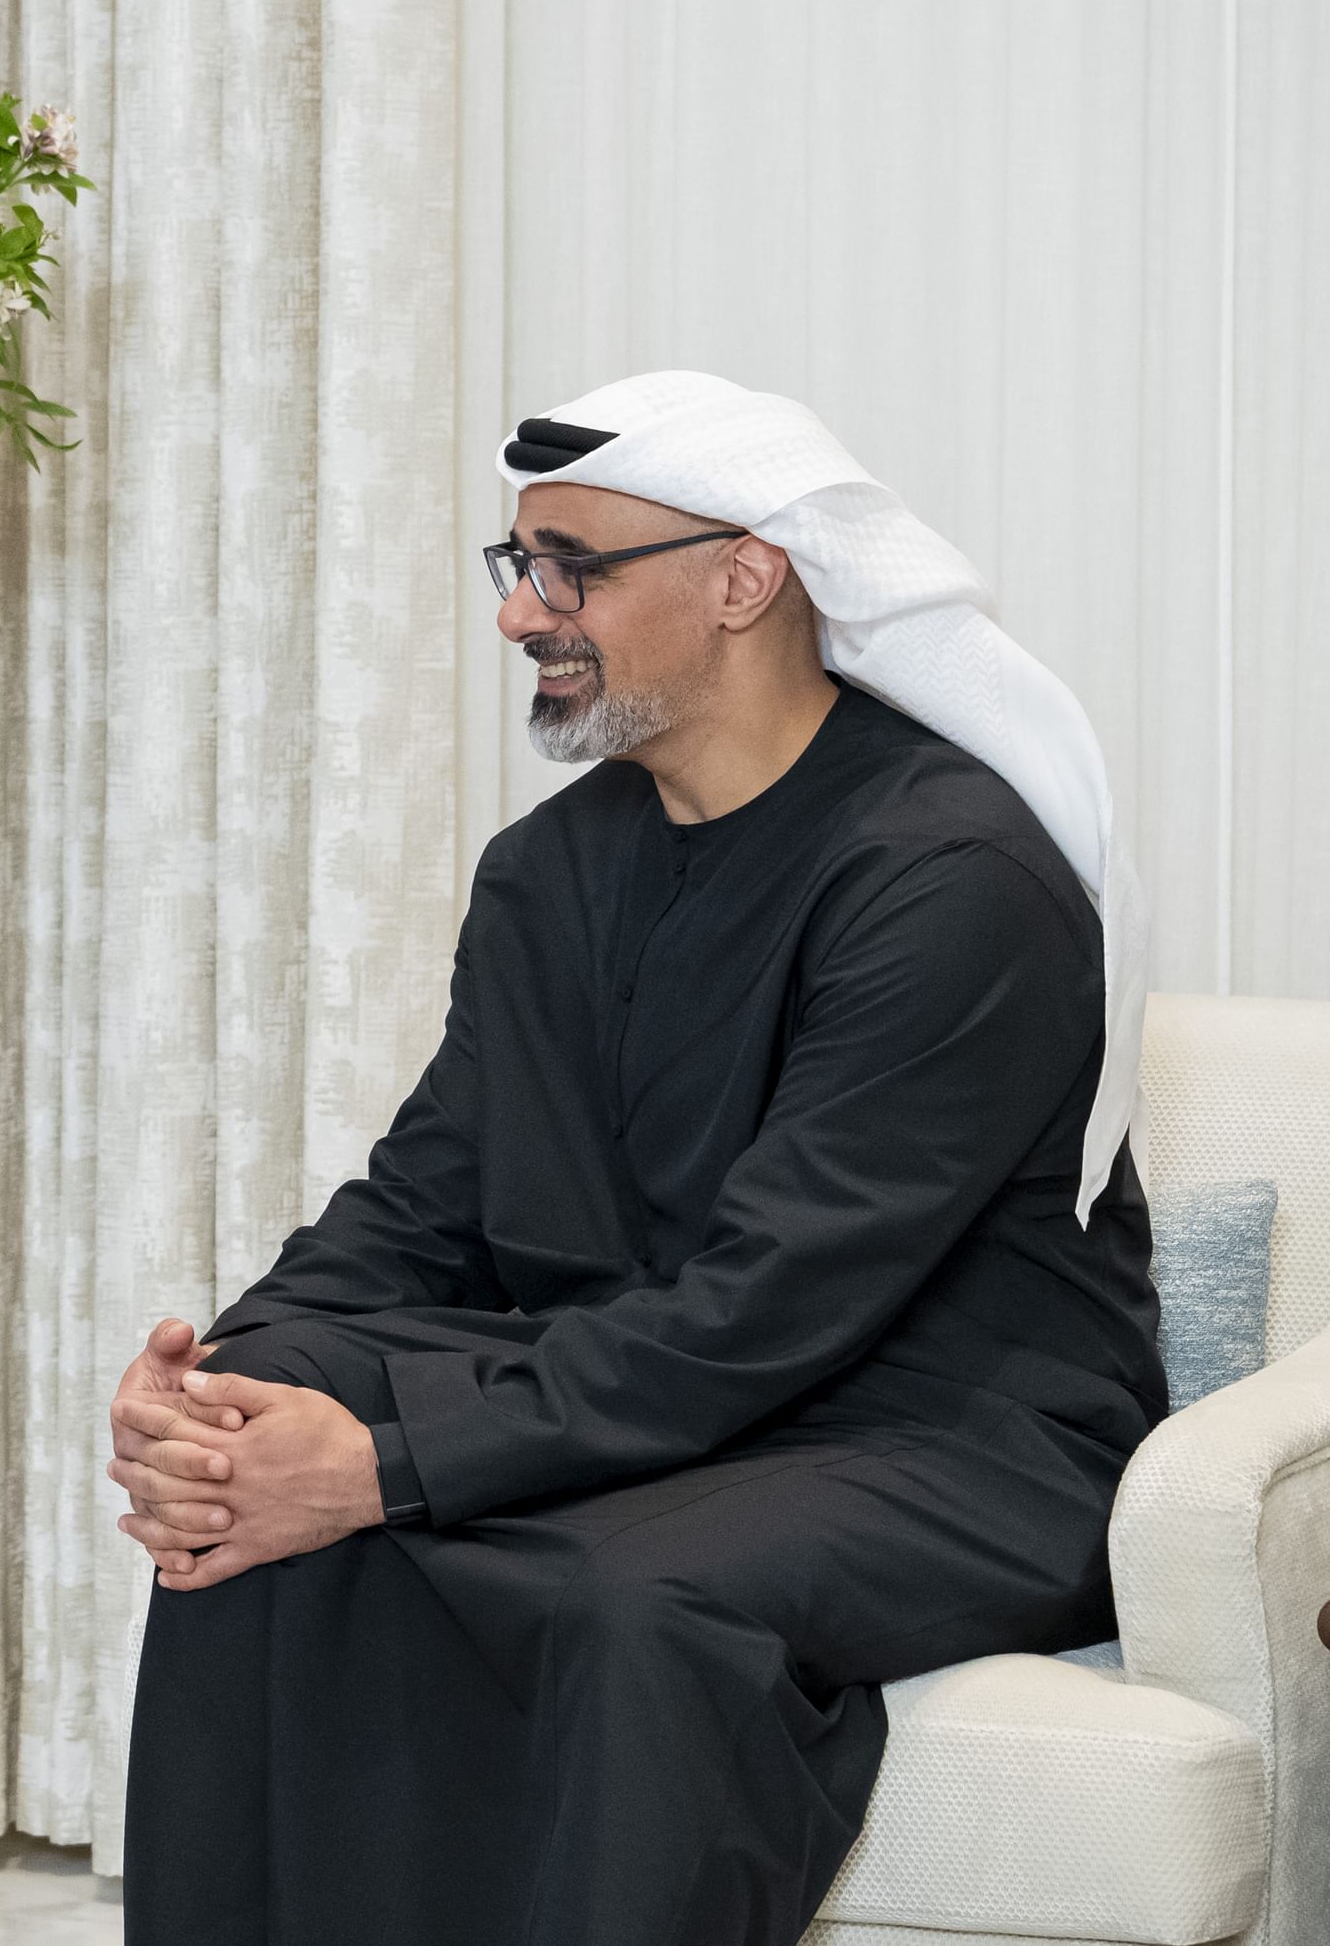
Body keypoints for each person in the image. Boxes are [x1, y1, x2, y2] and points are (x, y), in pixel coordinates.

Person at [110, 372, 1166, 1946]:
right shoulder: (552, 869)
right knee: (260, 1498)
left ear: (745, 577)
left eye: (570, 567)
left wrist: (388, 1461)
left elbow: (766, 1303)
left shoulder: (949, 883)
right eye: (516, 562)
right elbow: (420, 1204)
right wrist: (230, 1395)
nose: (521, 614)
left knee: (617, 1591)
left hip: (954, 1435)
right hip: (671, 1386)